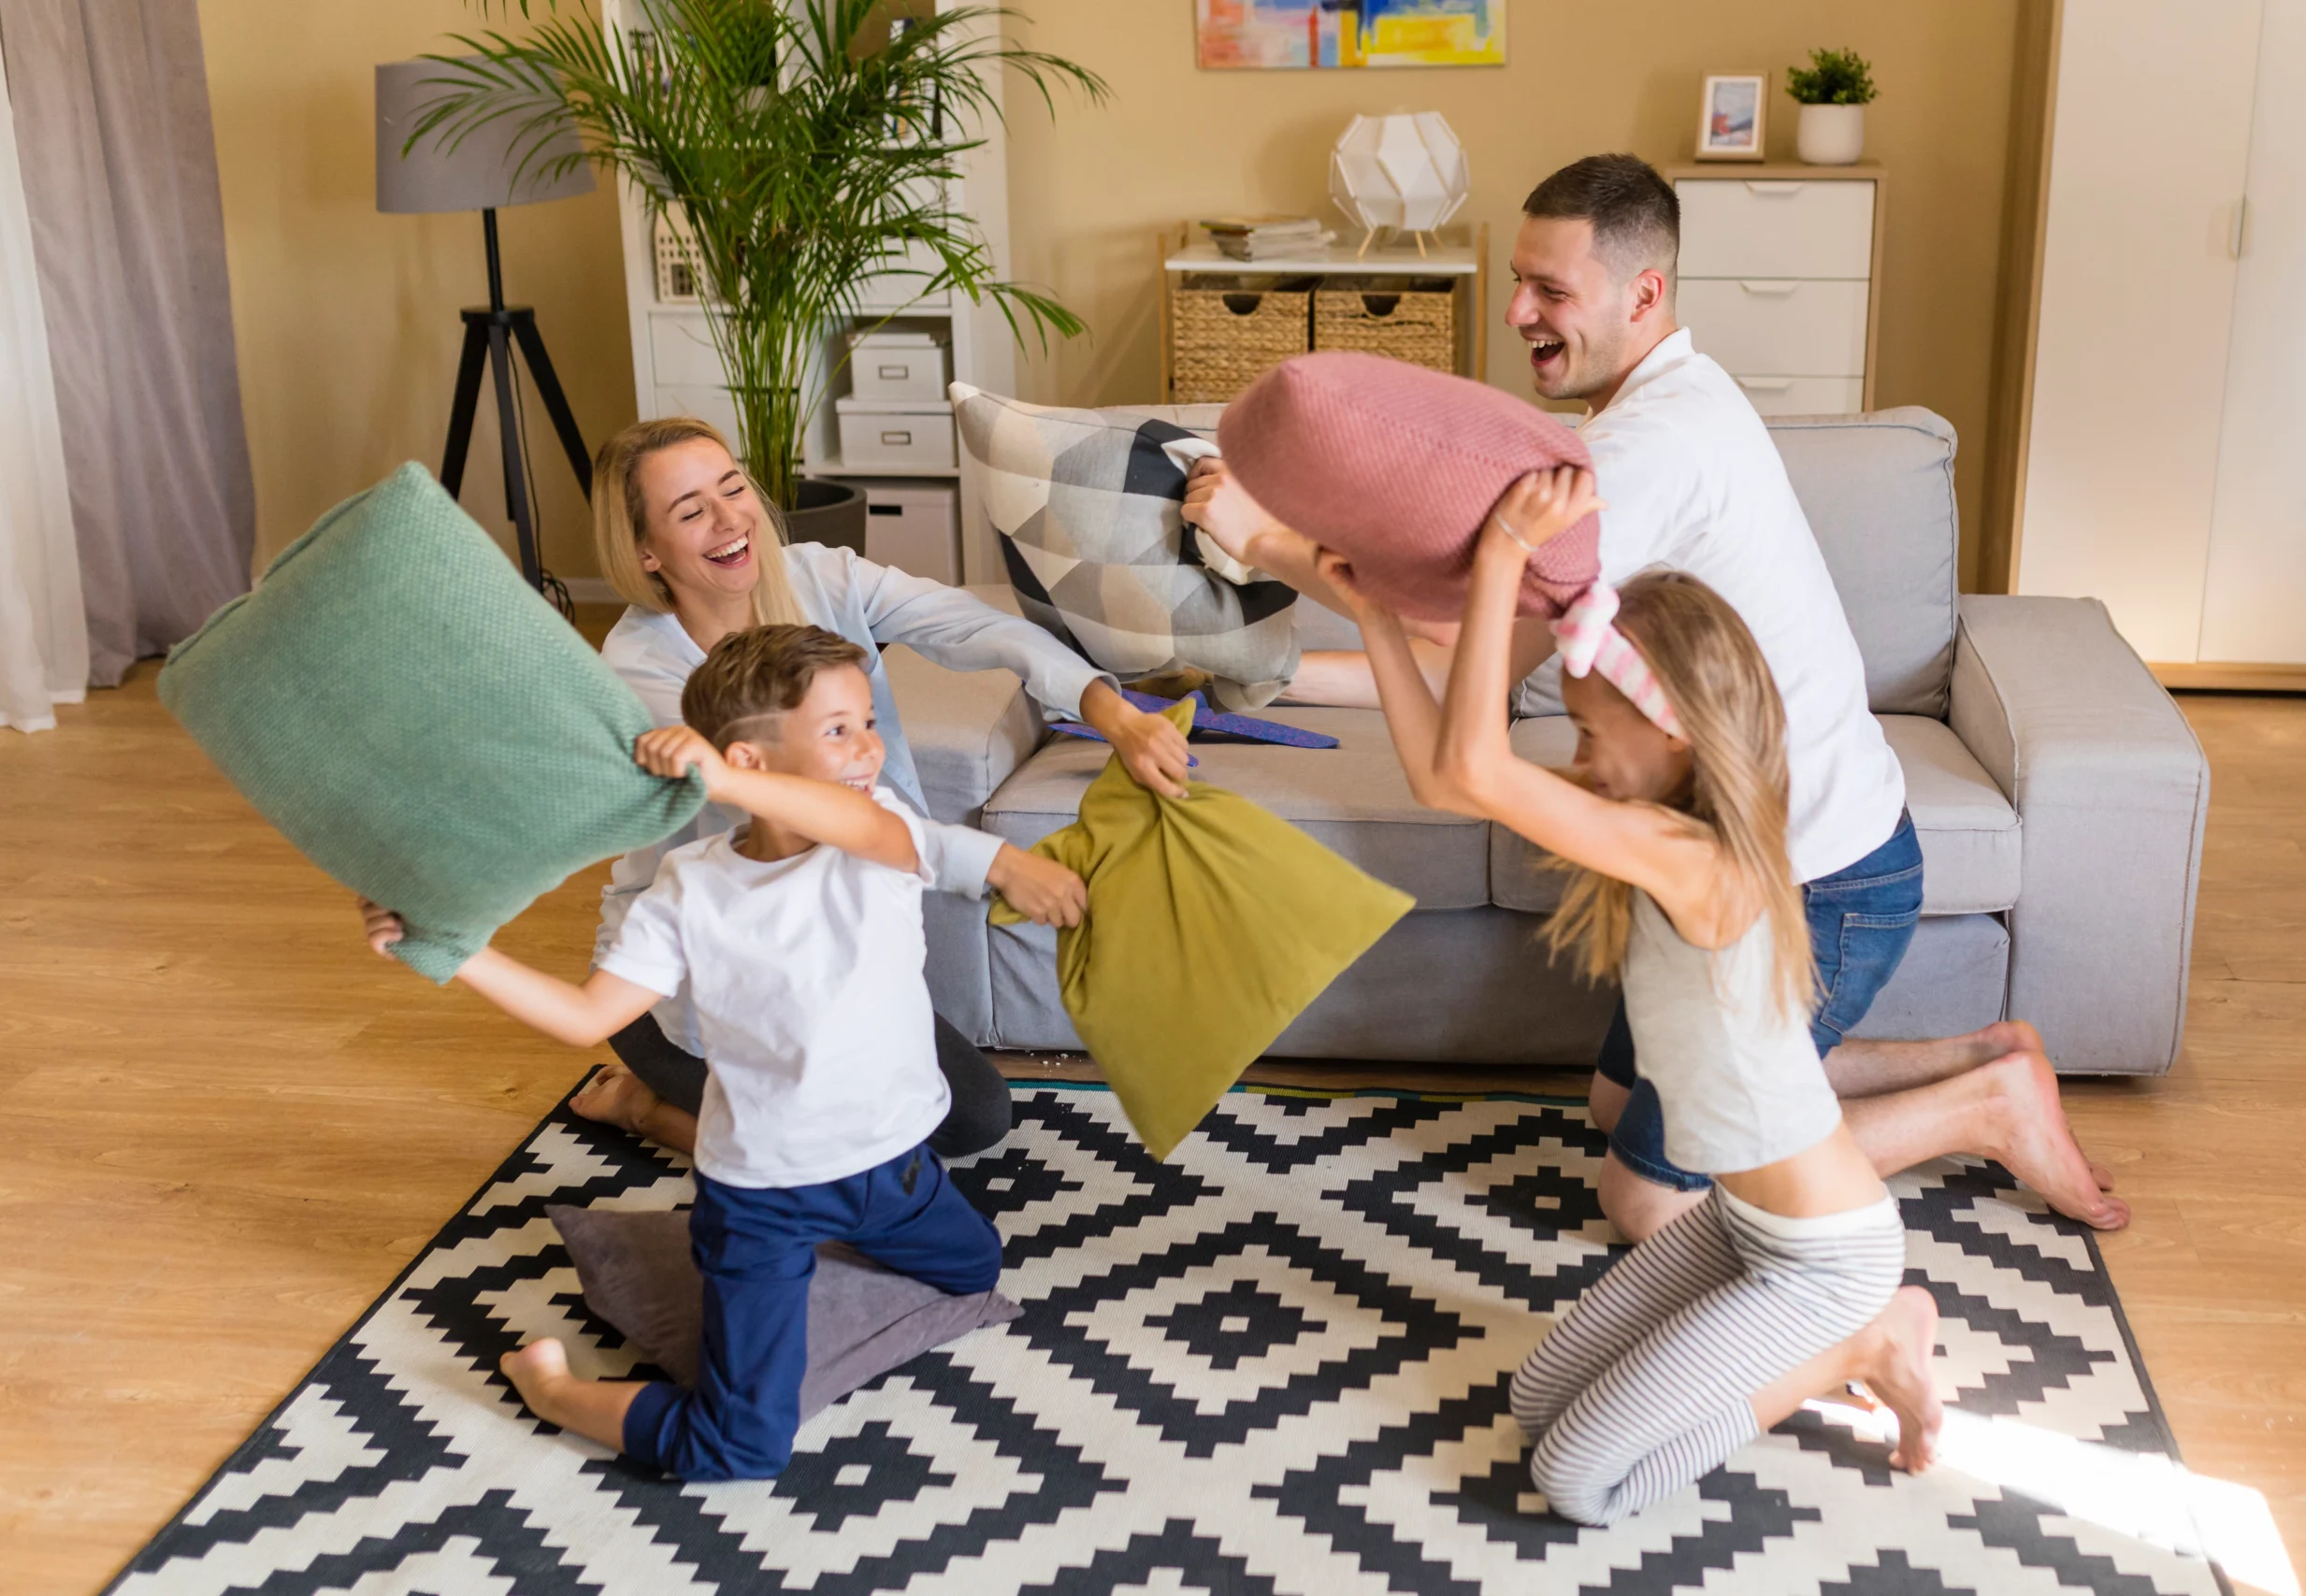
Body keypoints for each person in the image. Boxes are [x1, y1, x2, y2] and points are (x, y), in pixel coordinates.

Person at [1184, 154, 2126, 1244]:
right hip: (1778, 845)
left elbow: (1461, 672)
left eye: (1549, 289)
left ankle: (1982, 1108)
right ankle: (1981, 1056)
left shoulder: (1644, 451)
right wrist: (1276, 666)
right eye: (1518, 281)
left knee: (1652, 1200)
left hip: (1808, 877)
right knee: (1615, 1105)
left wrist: (1268, 544)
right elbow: (1473, 675)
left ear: (1644, 294)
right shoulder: (1664, 406)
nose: (1516, 312)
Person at [1319, 468, 1940, 1523]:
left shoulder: (1693, 857)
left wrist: (1505, 554)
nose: (1578, 759)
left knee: (1578, 1480)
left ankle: (1864, 1344)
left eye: (1589, 735)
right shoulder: (1656, 824)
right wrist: (1375, 616)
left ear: (1674, 730)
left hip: (1824, 1259)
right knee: (1535, 1400)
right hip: (1735, 1221)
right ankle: (1849, 1342)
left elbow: (1474, 766)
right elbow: (1442, 776)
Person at [361, 625, 1018, 1480]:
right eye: (838, 729)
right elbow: (586, 1014)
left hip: (894, 1167)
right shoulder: (691, 885)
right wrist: (461, 952)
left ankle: (671, 1135)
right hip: (765, 1197)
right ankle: (553, 1391)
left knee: (977, 1267)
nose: (870, 745)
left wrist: (726, 776)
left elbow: (858, 818)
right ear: (749, 755)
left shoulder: (877, 834)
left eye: (866, 721)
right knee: (739, 1447)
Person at [569, 416, 1189, 1165]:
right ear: (646, 549)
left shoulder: (820, 577)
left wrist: (1112, 713)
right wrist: (995, 863)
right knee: (836, 1157)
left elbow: (971, 624)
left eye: (733, 489)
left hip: (831, 958)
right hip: (698, 982)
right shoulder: (639, 670)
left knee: (974, 1119)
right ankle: (643, 1105)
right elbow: (799, 812)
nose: (729, 519)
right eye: (691, 510)